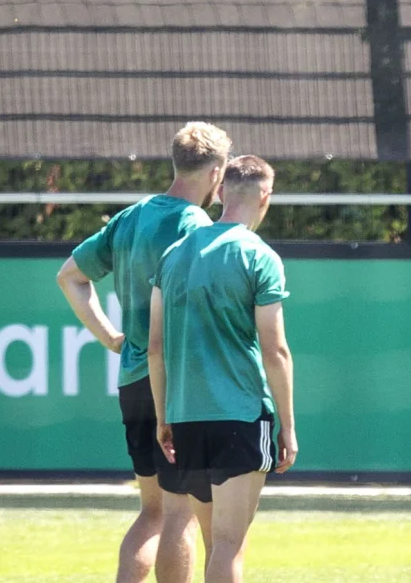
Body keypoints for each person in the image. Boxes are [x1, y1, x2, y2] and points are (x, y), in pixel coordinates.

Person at [57, 121, 231, 583]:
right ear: (216, 173)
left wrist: (111, 338)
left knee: (152, 512)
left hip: (134, 378)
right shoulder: (196, 226)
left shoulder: (131, 216)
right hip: (175, 385)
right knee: (180, 514)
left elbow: (70, 276)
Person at [148, 155, 297, 583]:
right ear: (265, 196)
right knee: (230, 544)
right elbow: (275, 350)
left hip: (186, 417)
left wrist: (163, 417)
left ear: (220, 192)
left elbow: (155, 348)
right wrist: (288, 426)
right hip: (241, 415)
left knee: (216, 542)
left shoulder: (174, 254)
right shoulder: (259, 255)